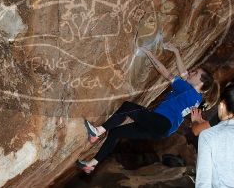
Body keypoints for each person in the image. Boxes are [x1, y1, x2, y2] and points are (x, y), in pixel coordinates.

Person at [77, 43, 217, 173]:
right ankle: (92, 164)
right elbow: (185, 74)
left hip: (161, 121)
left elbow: (166, 73)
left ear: (201, 81)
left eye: (195, 73)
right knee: (116, 133)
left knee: (128, 107)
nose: (191, 72)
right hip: (162, 131)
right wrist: (175, 53)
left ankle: (97, 132)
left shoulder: (188, 91)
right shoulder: (196, 98)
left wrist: (149, 53)